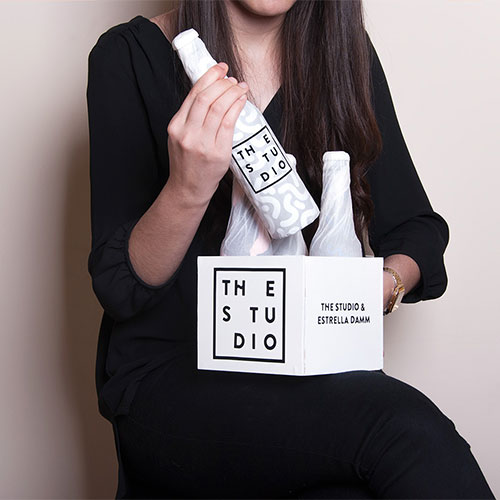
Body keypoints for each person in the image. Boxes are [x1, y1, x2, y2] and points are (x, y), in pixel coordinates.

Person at [86, 1, 495, 498]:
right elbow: (120, 288)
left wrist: (373, 291)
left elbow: (417, 232)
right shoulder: (128, 56)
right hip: (171, 380)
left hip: (306, 373)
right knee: (405, 431)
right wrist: (188, 187)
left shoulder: (341, 54)